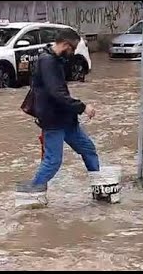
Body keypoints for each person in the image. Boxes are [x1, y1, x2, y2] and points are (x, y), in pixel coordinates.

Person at [17, 29, 100, 200]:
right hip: (53, 121)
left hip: (66, 120)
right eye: (73, 49)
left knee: (89, 149)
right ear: (65, 45)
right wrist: (83, 107)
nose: (73, 53)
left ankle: (99, 188)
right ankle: (30, 195)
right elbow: (57, 93)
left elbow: (60, 91)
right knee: (53, 161)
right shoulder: (47, 62)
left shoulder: (56, 59)